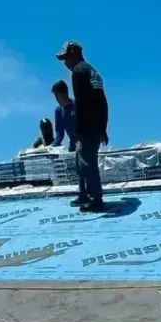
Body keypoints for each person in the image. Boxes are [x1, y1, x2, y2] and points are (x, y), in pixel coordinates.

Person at [56, 41, 109, 212]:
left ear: (73, 54)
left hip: (87, 126)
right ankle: (84, 194)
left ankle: (95, 200)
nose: (65, 64)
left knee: (87, 164)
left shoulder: (79, 71)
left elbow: (82, 104)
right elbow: (102, 101)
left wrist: (78, 129)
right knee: (81, 162)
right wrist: (103, 128)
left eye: (65, 58)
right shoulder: (91, 71)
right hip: (95, 124)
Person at [51, 80, 77, 151]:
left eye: (57, 95)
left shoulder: (77, 105)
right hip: (73, 146)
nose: (56, 98)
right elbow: (59, 135)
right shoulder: (59, 111)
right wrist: (51, 148)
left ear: (64, 93)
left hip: (86, 144)